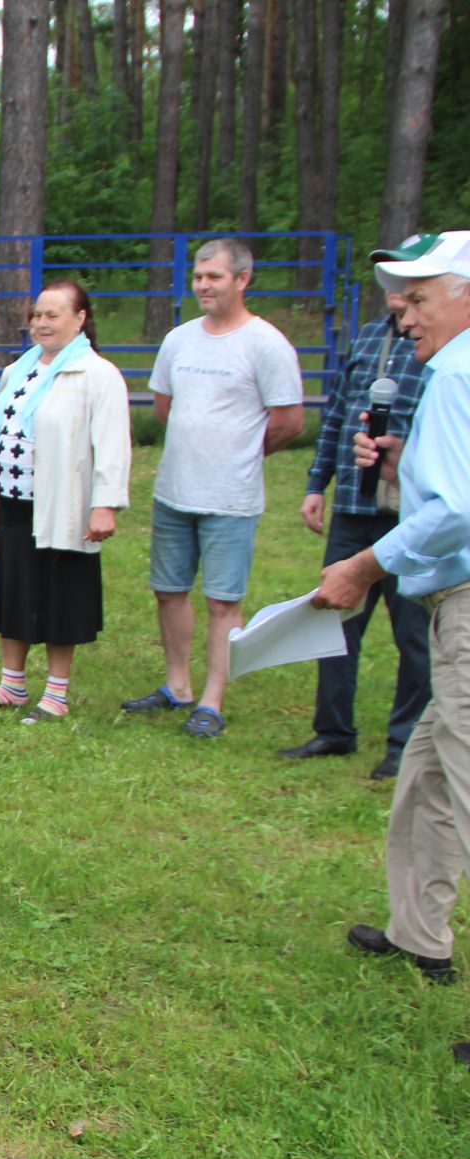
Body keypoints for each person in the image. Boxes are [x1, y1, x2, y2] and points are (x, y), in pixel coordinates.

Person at [315, 232, 470, 1026]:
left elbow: (454, 510)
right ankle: (422, 937)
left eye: (419, 297)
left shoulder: (455, 371)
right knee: (430, 779)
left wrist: (364, 564)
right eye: (401, 299)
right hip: (455, 603)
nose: (403, 316)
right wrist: (409, 455)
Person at [122, 239, 303, 738]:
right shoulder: (179, 340)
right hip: (174, 490)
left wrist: (241, 451)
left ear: (242, 279)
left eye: (214, 277)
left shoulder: (266, 344)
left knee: (223, 601)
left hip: (231, 498)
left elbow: (289, 421)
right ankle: (177, 685)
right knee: (168, 591)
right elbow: (165, 406)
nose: (203, 285)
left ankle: (212, 701)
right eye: (199, 276)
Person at [282, 265, 431, 779]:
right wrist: (315, 483)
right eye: (391, 286)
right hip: (353, 506)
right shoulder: (368, 337)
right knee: (336, 618)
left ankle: (404, 741)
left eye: (409, 290)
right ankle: (334, 731)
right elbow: (341, 417)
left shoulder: (444, 354)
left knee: (414, 631)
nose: (398, 297)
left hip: (410, 513)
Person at [0, 281, 132, 724]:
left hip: (64, 503)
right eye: (37, 314)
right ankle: (12, 685)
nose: (40, 322)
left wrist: (106, 504)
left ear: (80, 320)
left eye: (52, 315)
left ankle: (56, 693)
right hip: (14, 501)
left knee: (61, 594)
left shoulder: (97, 374)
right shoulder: (19, 370)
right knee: (14, 590)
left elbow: (112, 443)